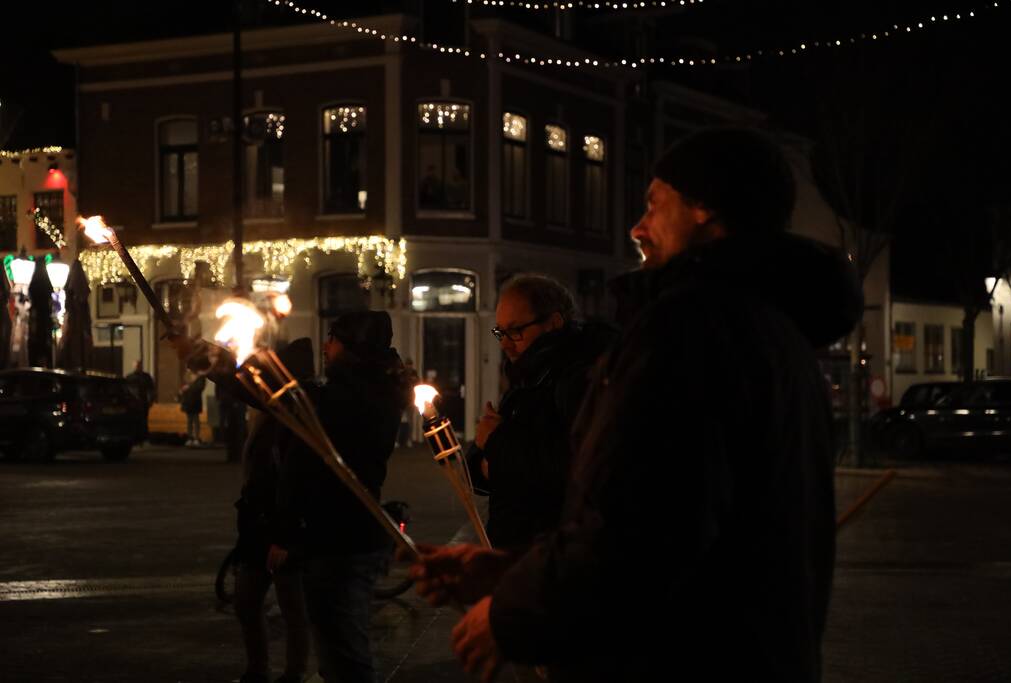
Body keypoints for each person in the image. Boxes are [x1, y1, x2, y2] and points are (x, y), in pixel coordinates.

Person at [411, 126, 864, 682]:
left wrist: (510, 615)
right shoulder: (772, 333)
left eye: (654, 203)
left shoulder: (691, 331)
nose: (637, 227)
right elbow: (685, 520)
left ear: (703, 207)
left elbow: (640, 532)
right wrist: (511, 568)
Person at [269, 311, 413, 683]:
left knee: (342, 651)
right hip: (353, 532)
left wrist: (285, 530)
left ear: (350, 348)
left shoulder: (341, 400)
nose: (325, 345)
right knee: (342, 644)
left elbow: (303, 467)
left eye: (333, 337)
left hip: (336, 536)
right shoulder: (377, 391)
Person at [466, 274, 616, 551]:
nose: (505, 344)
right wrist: (481, 459)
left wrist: (495, 445)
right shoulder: (529, 374)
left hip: (550, 551)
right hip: (518, 546)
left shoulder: (580, 377)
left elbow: (573, 469)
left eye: (515, 331)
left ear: (554, 323)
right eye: (500, 332)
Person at [232, 339, 314, 683]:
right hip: (258, 523)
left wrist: (286, 536)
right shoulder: (268, 411)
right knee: (246, 599)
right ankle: (258, 669)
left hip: (283, 527)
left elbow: (297, 482)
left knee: (292, 604)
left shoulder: (298, 419)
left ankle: (293, 674)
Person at [125, 360, 155, 441]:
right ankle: (136, 435)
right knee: (134, 419)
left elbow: (151, 389)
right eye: (136, 366)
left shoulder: (146, 377)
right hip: (133, 402)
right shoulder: (129, 377)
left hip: (143, 402)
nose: (137, 367)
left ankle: (144, 436)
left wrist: (150, 400)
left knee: (144, 419)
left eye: (139, 366)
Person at [178, 369, 206, 447]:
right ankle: (190, 438)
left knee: (196, 419)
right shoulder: (188, 375)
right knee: (189, 420)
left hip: (195, 400)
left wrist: (188, 388)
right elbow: (183, 385)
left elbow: (200, 387)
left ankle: (196, 438)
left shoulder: (200, 376)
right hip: (188, 400)